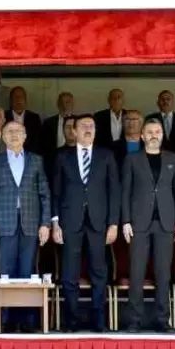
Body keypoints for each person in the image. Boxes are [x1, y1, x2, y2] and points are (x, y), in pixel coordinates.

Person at [52, 114, 120, 332]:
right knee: (69, 274)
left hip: (98, 222)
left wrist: (113, 223)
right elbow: (56, 192)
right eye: (83, 126)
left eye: (91, 126)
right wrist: (55, 223)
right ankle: (71, 321)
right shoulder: (63, 157)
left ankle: (98, 321)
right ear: (74, 131)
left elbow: (114, 191)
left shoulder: (106, 155)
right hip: (70, 221)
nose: (88, 129)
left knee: (99, 272)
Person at [0, 121, 52, 332]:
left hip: (30, 223)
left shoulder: (36, 161)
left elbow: (45, 195)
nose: (14, 135)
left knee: (28, 272)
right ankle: (6, 320)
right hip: (4, 224)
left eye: (18, 131)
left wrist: (45, 224)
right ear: (3, 137)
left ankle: (28, 320)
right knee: (6, 273)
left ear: (25, 136)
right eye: (10, 132)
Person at [120, 117, 175, 332]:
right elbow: (125, 192)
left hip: (166, 223)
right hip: (139, 222)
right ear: (142, 136)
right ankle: (134, 320)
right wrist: (126, 220)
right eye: (149, 132)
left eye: (157, 131)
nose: (153, 135)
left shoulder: (173, 159)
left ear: (162, 135)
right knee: (136, 273)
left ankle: (162, 320)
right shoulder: (132, 159)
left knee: (163, 274)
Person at [148, 90, 175, 157]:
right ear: (158, 103)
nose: (165, 101)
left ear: (173, 102)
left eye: (168, 99)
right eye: (162, 99)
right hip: (156, 155)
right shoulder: (150, 118)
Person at [42, 91, 76, 159]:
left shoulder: (78, 121)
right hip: (54, 159)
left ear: (72, 104)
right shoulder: (48, 123)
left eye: (68, 102)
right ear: (58, 104)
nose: (65, 105)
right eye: (62, 102)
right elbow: (44, 145)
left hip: (74, 158)